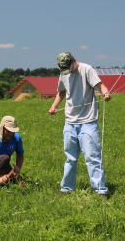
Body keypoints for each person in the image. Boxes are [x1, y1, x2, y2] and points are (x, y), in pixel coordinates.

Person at [49, 52, 111, 195]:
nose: (67, 71)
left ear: (74, 61)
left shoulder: (87, 69)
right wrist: (53, 106)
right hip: (70, 122)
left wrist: (105, 94)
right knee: (70, 158)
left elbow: (100, 86)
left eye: (68, 67)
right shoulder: (64, 74)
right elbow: (61, 93)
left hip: (88, 121)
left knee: (92, 157)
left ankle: (100, 190)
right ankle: (67, 188)